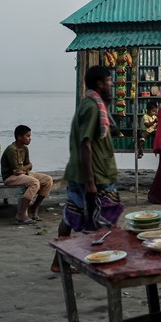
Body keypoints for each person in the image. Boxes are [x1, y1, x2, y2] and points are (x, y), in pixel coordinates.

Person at [56, 65, 123, 258]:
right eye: (109, 81)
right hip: (95, 176)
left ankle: (60, 260)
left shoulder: (93, 104)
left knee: (71, 216)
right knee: (105, 216)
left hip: (86, 174)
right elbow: (85, 144)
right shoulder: (92, 107)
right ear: (100, 84)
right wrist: (91, 182)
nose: (111, 84)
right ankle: (98, 256)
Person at [1, 125, 53, 224]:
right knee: (34, 183)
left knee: (48, 180)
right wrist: (26, 168)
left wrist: (26, 167)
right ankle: (21, 213)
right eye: (28, 136)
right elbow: (16, 171)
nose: (30, 138)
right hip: (10, 178)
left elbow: (28, 165)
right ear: (19, 137)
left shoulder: (25, 149)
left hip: (23, 174)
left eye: (30, 136)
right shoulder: (11, 149)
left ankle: (34, 207)